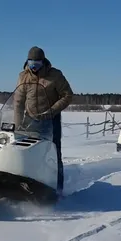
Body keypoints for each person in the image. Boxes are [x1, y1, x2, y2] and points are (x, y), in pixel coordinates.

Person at [13, 46, 73, 194]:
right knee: (23, 150)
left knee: (53, 153)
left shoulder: (55, 75)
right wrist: (17, 124)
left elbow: (67, 95)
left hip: (50, 119)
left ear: (43, 62)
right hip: (29, 119)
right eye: (31, 63)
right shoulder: (23, 76)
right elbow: (18, 102)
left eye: (37, 64)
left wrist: (52, 111)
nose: (34, 67)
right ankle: (22, 182)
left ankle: (57, 189)